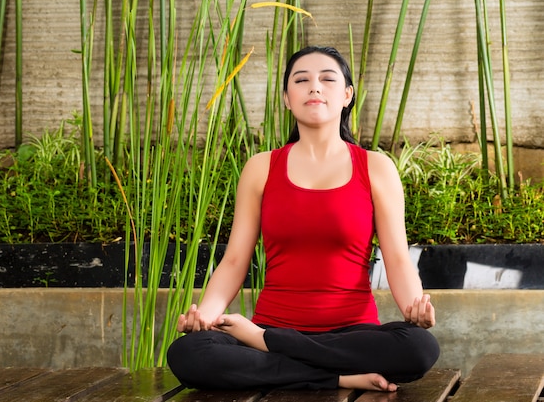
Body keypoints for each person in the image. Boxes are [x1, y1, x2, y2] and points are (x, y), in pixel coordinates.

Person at [166, 45, 440, 392]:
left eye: (327, 79)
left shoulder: (376, 167)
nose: (315, 87)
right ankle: (335, 378)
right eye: (302, 80)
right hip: (271, 325)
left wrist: (414, 307)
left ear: (346, 95)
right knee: (189, 354)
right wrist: (206, 313)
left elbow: (398, 258)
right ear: (286, 97)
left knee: (419, 347)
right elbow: (235, 259)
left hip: (350, 332)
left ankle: (278, 357)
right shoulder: (261, 167)